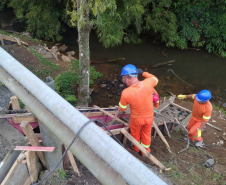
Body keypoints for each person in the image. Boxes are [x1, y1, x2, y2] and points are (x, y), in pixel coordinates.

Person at [118, 64, 158, 156]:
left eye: (123, 78)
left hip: (136, 119)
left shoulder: (126, 92)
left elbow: (122, 108)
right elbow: (155, 79)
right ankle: (145, 151)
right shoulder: (148, 83)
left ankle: (136, 148)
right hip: (149, 118)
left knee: (135, 133)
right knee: (147, 133)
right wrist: (143, 73)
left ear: (127, 78)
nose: (124, 81)